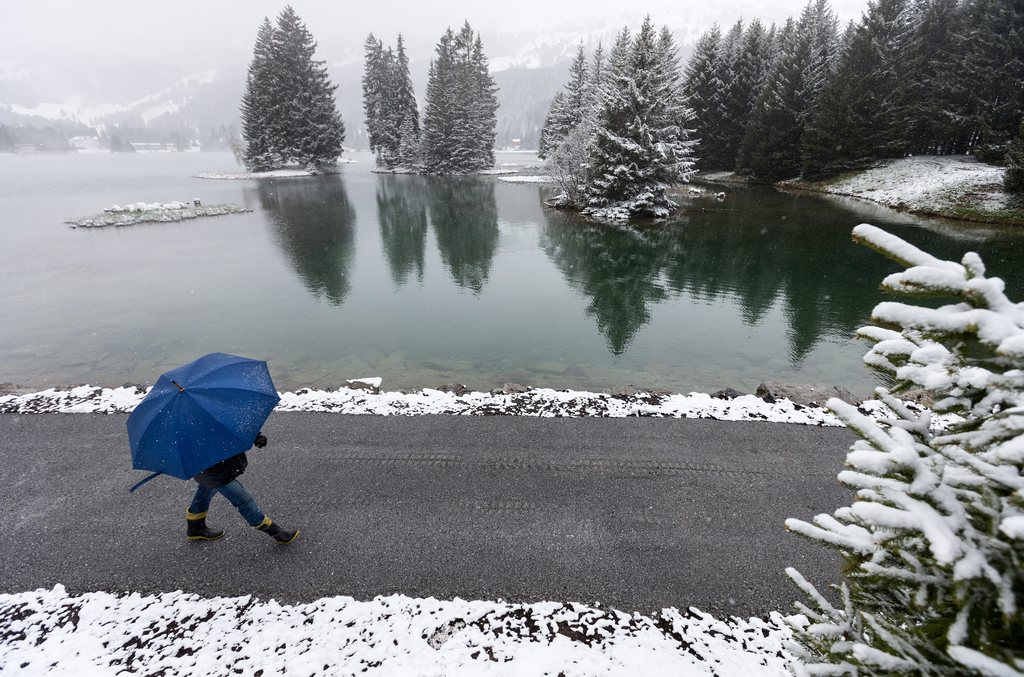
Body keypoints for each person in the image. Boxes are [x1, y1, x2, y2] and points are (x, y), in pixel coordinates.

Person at [184, 432, 299, 544]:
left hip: (212, 466)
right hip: (212, 470)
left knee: (207, 489)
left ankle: (195, 527)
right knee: (243, 499)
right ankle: (275, 532)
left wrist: (255, 436)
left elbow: (233, 425)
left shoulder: (208, 416)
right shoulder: (193, 425)